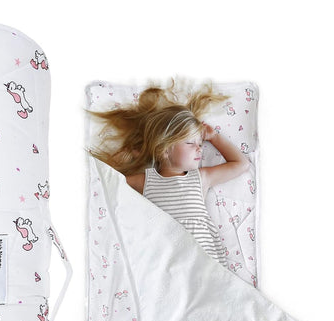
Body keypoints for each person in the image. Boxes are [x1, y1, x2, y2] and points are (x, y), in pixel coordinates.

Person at [88, 80, 250, 267]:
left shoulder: (200, 178)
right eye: (190, 143)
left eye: (200, 143)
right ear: (165, 149)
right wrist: (126, 155)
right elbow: (106, 183)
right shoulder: (146, 181)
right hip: (165, 260)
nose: (200, 148)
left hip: (202, 261)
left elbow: (241, 164)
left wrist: (214, 138)